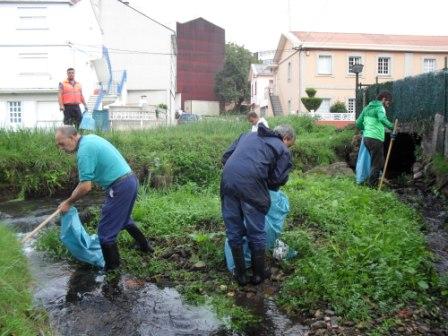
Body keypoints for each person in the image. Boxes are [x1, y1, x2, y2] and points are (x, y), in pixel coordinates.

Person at [55, 126, 153, 271]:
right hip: (129, 181)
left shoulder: (84, 152)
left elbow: (86, 187)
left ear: (72, 137)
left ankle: (112, 272)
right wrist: (67, 202)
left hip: (120, 187)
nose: (60, 148)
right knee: (124, 220)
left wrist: (68, 202)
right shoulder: (90, 139)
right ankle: (145, 247)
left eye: (62, 144)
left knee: (105, 234)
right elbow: (83, 183)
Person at [221, 124, 295, 285]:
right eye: (290, 144)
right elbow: (276, 180)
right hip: (252, 187)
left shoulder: (246, 135)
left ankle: (240, 275)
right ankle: (258, 275)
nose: (288, 147)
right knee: (256, 231)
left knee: (234, 229)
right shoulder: (282, 149)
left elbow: (225, 157)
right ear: (286, 139)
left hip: (227, 182)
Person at [355, 91, 395, 187]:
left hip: (366, 139)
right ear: (384, 99)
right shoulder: (379, 108)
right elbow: (382, 119)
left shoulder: (367, 108)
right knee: (377, 164)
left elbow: (358, 123)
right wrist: (392, 126)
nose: (388, 105)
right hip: (376, 139)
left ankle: (372, 180)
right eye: (388, 102)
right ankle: (372, 187)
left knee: (375, 161)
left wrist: (365, 129)